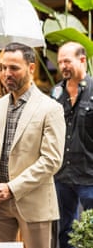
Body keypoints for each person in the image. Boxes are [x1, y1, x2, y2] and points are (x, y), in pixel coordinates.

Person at [0, 42, 66, 248]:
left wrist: (11, 188)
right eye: (3, 68)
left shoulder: (50, 108)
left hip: (33, 200)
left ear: (31, 68)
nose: (6, 73)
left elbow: (52, 160)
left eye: (14, 68)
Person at [51, 41, 93, 248]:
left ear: (82, 60)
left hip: (90, 175)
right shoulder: (56, 93)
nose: (62, 67)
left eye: (67, 61)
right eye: (60, 63)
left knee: (91, 229)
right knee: (64, 229)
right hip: (62, 174)